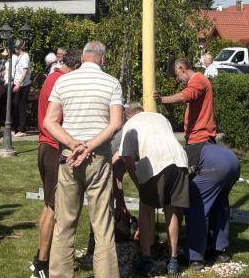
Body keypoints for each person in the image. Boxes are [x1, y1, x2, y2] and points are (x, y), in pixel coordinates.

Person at [43, 40, 123, 278]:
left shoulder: (63, 81)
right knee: (102, 225)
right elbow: (116, 124)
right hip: (98, 157)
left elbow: (50, 121)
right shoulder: (111, 83)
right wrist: (88, 147)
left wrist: (73, 145)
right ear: (103, 59)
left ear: (83, 58)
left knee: (64, 223)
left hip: (69, 157)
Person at [119, 104, 189, 276]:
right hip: (180, 161)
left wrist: (138, 183)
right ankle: (172, 261)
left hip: (155, 162)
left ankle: (146, 259)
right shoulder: (160, 117)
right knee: (171, 210)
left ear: (127, 115)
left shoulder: (129, 125)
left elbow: (127, 159)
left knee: (145, 208)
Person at [31, 48, 81, 278]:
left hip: (44, 146)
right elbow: (58, 120)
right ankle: (43, 264)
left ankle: (40, 258)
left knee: (48, 205)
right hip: (52, 147)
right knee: (54, 208)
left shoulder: (52, 77)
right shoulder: (61, 81)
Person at [186, 141, 241, 269]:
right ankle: (220, 251)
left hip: (216, 166)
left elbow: (180, 181)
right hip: (234, 162)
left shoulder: (181, 154)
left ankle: (196, 258)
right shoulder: (197, 148)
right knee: (220, 205)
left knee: (197, 206)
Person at [156, 58, 217, 170]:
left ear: (182, 69)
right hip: (197, 140)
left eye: (176, 76)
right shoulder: (195, 81)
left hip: (201, 140)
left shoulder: (198, 80)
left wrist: (162, 100)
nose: (177, 79)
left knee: (180, 172)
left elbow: (183, 96)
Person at [12, 39, 32, 137]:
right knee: (15, 106)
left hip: (23, 86)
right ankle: (16, 128)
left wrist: (18, 84)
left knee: (21, 107)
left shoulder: (25, 56)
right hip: (17, 84)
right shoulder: (20, 56)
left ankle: (22, 130)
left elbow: (24, 71)